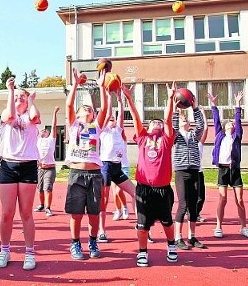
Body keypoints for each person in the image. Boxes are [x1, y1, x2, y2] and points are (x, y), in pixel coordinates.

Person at [123, 82, 178, 267]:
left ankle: (171, 246)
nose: (156, 122)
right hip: (144, 189)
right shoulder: (142, 138)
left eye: (159, 122)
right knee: (142, 225)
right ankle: (143, 252)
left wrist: (170, 98)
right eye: (153, 121)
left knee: (167, 222)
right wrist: (129, 98)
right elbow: (136, 118)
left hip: (163, 190)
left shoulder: (166, 139)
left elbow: (169, 119)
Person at [0, 77, 41, 270]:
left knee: (26, 212)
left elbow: (34, 117)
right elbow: (9, 117)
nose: (20, 98)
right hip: (8, 165)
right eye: (17, 97)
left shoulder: (31, 116)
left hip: (28, 166)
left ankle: (29, 252)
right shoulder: (8, 114)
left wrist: (30, 100)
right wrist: (11, 91)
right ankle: (4, 250)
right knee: (7, 213)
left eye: (23, 96)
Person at [64, 69, 108, 260]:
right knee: (76, 213)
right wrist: (75, 84)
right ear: (79, 113)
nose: (88, 109)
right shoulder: (74, 124)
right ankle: (75, 243)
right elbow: (68, 104)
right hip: (77, 172)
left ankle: (92, 241)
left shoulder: (96, 126)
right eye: (84, 108)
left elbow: (105, 108)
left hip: (95, 174)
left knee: (94, 213)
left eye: (90, 108)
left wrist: (102, 87)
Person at [210, 91, 248, 239]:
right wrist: (214, 105)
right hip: (223, 170)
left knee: (240, 199)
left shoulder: (237, 136)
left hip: (234, 170)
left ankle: (244, 227)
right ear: (224, 126)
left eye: (233, 123)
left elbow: (238, 119)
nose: (232, 123)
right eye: (229, 122)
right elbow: (216, 120)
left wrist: (237, 104)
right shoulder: (219, 135)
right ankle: (218, 227)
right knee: (222, 199)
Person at [98, 89, 136, 243]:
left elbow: (121, 116)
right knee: (104, 200)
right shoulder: (103, 131)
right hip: (105, 166)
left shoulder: (118, 131)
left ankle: (141, 225)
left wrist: (120, 99)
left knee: (136, 193)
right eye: (111, 119)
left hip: (117, 167)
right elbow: (106, 113)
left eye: (114, 119)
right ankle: (101, 230)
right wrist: (108, 96)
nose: (113, 120)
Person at [172, 97, 206, 250]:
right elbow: (171, 127)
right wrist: (174, 109)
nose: (185, 121)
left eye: (186, 119)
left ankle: (192, 236)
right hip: (181, 171)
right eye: (182, 120)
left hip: (194, 171)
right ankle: (178, 237)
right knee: (183, 204)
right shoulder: (175, 136)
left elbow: (201, 126)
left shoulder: (193, 135)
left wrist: (195, 108)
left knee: (194, 205)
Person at [35, 106, 60, 217]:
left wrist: (54, 112)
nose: (43, 131)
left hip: (50, 168)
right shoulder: (37, 140)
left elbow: (54, 126)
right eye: (41, 130)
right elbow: (33, 126)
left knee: (47, 188)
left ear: (48, 133)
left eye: (45, 130)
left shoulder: (51, 140)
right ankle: (41, 204)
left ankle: (48, 208)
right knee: (40, 189)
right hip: (40, 168)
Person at [195, 108, 209, 223]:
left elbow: (205, 129)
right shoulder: (182, 142)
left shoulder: (199, 143)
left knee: (201, 196)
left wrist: (203, 115)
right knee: (188, 195)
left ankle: (196, 213)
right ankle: (189, 213)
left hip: (199, 172)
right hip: (188, 172)